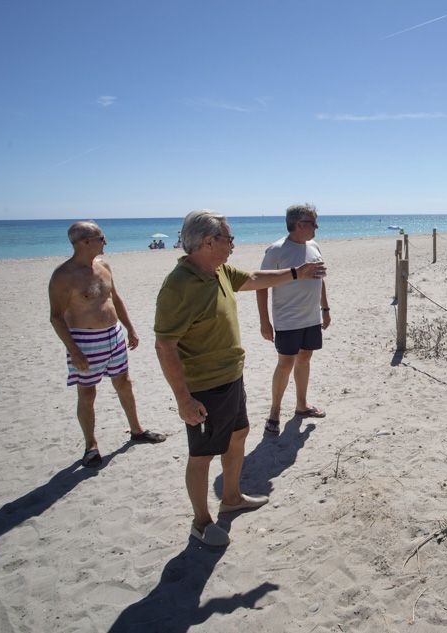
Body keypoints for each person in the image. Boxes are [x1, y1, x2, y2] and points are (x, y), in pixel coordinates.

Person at [154, 209, 326, 547]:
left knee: (239, 434)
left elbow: (253, 279)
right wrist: (183, 399)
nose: (233, 244)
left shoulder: (217, 270)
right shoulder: (179, 285)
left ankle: (231, 498)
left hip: (231, 375)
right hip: (204, 385)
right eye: (228, 239)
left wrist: (296, 273)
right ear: (208, 241)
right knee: (202, 455)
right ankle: (201, 522)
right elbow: (165, 345)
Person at [49, 221, 166, 469]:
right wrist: (74, 350)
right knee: (87, 392)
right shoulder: (63, 276)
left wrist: (130, 328)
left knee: (124, 383)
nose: (106, 242)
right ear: (84, 242)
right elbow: (56, 317)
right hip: (85, 340)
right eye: (101, 237)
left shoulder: (104, 267)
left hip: (113, 336)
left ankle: (136, 430)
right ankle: (90, 446)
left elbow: (115, 298)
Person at [256, 204, 331, 436]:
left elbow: (321, 278)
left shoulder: (314, 246)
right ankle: (275, 411)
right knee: (285, 363)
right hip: (287, 319)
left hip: (311, 318)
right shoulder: (277, 250)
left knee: (305, 358)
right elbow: (261, 286)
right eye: (312, 222)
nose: (316, 227)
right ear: (299, 225)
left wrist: (325, 308)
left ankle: (301, 405)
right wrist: (264, 322)